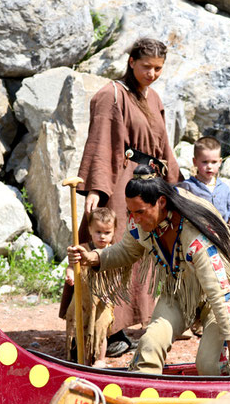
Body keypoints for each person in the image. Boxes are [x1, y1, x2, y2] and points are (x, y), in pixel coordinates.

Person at [67, 164, 230, 379]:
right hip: (181, 288)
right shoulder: (141, 220)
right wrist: (93, 257)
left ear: (161, 203)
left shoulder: (196, 235)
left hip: (224, 293)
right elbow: (128, 250)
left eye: (140, 212)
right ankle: (141, 401)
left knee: (210, 365)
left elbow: (219, 293)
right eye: (131, 212)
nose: (135, 219)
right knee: (150, 343)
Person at [59, 37, 182, 353]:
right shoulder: (110, 95)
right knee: (112, 251)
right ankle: (107, 331)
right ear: (131, 62)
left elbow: (164, 145)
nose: (152, 74)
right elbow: (100, 142)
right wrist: (97, 188)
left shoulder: (153, 97)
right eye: (146, 67)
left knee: (147, 254)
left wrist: (176, 184)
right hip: (120, 184)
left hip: (149, 186)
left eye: (158, 69)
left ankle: (152, 320)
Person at [64, 208, 121, 367]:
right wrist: (69, 274)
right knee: (82, 329)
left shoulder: (113, 251)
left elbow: (117, 274)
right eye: (98, 232)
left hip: (103, 300)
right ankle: (84, 359)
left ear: (114, 231)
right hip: (83, 298)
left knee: (100, 329)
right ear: (89, 230)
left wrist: (111, 289)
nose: (102, 236)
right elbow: (71, 266)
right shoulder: (83, 249)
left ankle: (100, 359)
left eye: (107, 232)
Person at [178, 136, 230, 240]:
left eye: (214, 162)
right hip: (197, 239)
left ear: (220, 162)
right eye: (205, 162)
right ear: (195, 161)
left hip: (222, 239)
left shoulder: (224, 189)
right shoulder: (188, 187)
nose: (209, 166)